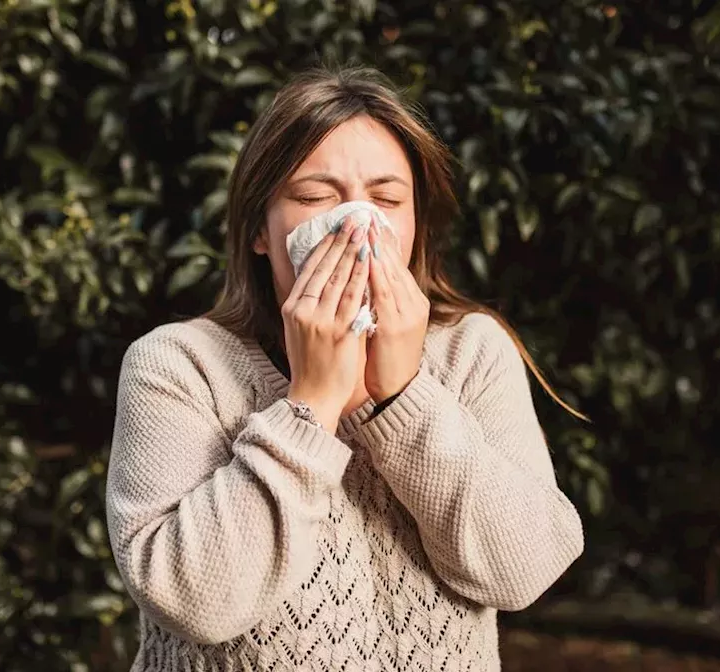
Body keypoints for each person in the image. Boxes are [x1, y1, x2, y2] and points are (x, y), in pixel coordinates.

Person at [106, 65, 585, 671]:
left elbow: (524, 571)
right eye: (314, 197)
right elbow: (197, 601)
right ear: (259, 227)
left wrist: (403, 396)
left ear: (414, 225)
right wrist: (311, 404)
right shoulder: (178, 365)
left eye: (386, 200)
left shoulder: (472, 351)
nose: (358, 226)